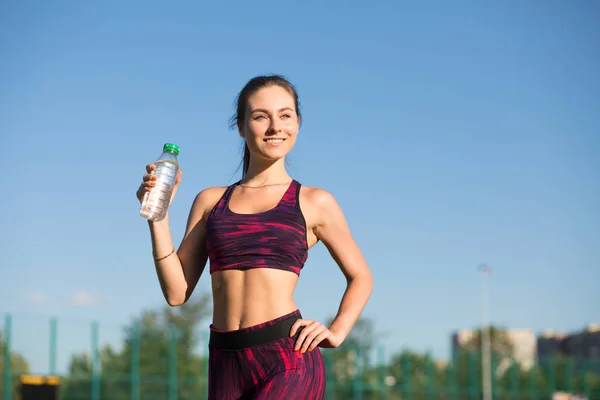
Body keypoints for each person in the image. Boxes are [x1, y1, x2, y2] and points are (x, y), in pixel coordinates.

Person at [136, 75, 373, 399]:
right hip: (223, 361)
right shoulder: (211, 201)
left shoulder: (314, 201)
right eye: (261, 116)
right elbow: (177, 292)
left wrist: (337, 330)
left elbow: (361, 275)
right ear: (241, 126)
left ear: (298, 123)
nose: (275, 126)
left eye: (285, 115)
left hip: (287, 358)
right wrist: (158, 217)